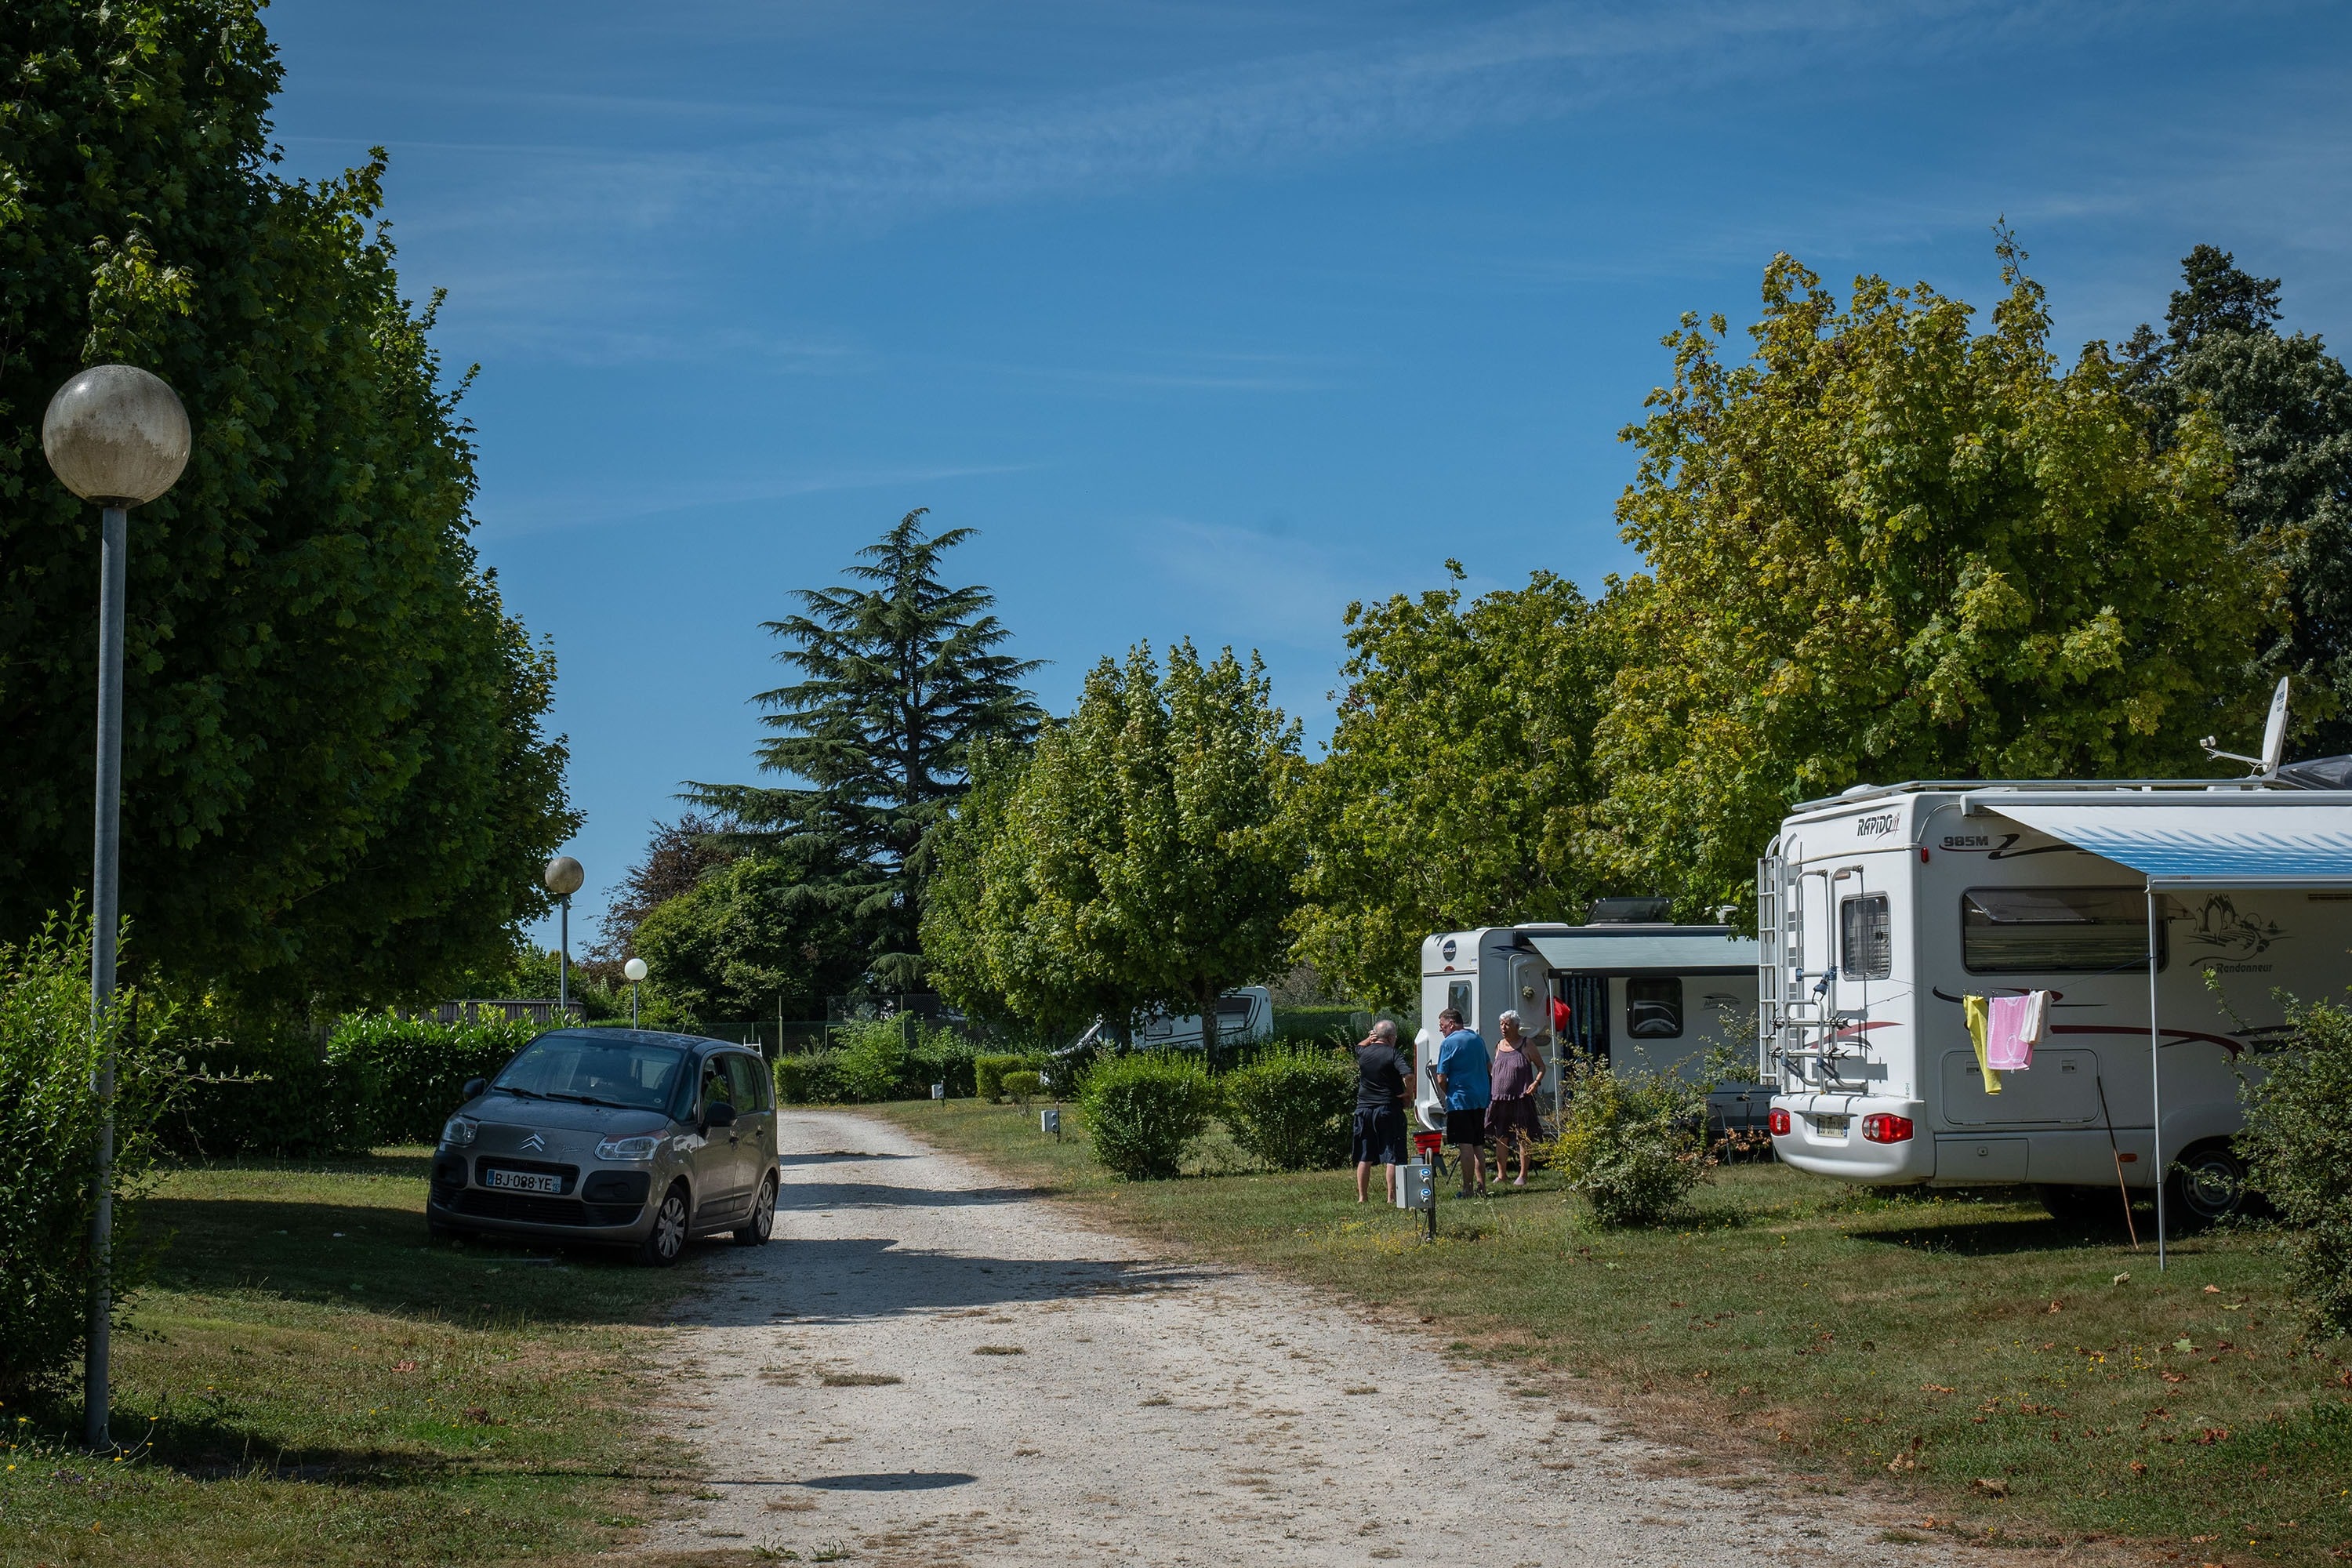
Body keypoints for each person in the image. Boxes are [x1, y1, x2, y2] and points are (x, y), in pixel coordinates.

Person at [1431, 1007, 1491, 1198]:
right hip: (1480, 1098)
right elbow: (1489, 1067)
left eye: (1442, 1025)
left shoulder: (1448, 1043)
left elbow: (1441, 1077)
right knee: (1478, 1144)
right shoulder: (1477, 1039)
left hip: (1461, 1099)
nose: (1440, 1029)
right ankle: (1482, 1187)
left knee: (1465, 1144)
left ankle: (1468, 1189)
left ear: (1451, 1023)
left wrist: (1449, 1093)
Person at [1350, 1019, 1410, 1203]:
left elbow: (1359, 1046)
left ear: (1375, 1036)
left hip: (1364, 1109)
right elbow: (1408, 1075)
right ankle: (1391, 1197)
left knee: (1365, 1155)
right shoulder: (1393, 1054)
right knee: (1392, 1154)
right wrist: (1409, 1094)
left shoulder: (1364, 1053)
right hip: (1387, 1108)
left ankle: (1362, 1197)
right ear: (1391, 1037)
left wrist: (1370, 1039)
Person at [1486, 1009, 1547, 1188]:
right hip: (1499, 1099)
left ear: (1516, 1026)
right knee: (1501, 1137)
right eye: (1501, 1024)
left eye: (1507, 1024)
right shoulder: (1499, 1045)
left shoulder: (1527, 1044)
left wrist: (1535, 1083)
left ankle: (1523, 1175)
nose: (1503, 1028)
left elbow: (1542, 1067)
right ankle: (1502, 1174)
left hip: (1521, 1098)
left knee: (1523, 1137)